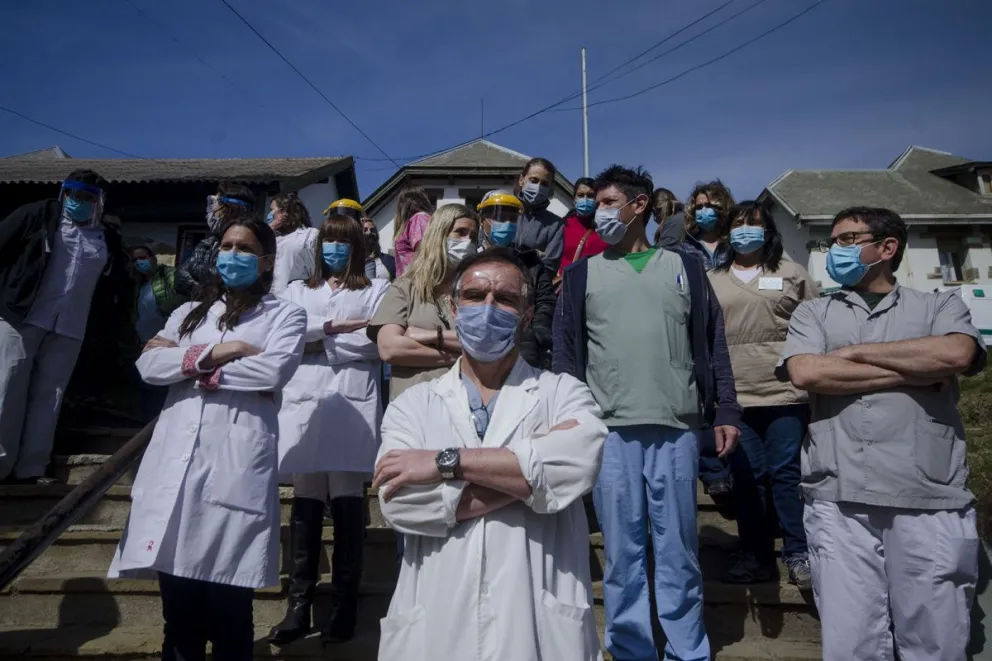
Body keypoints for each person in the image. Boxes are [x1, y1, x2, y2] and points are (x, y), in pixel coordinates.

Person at [373, 246, 607, 661]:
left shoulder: (563, 393)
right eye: (475, 296)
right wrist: (529, 481)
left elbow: (577, 466)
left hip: (535, 622)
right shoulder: (414, 404)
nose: (489, 307)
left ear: (528, 314)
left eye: (506, 299)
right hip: (438, 618)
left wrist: (445, 462)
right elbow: (400, 503)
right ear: (452, 307)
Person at [778, 206, 985, 661]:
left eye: (849, 239)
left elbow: (954, 355)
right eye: (832, 241)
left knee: (936, 641)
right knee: (851, 643)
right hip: (839, 495)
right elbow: (807, 372)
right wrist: (909, 371)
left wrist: (855, 354)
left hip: (927, 496)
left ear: (888, 248)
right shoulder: (813, 312)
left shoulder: (939, 305)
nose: (836, 249)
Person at [553, 164, 741, 661]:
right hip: (609, 431)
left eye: (610, 202)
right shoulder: (579, 275)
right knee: (622, 554)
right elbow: (566, 357)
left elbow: (712, 342)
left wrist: (726, 408)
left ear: (640, 206)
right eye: (597, 203)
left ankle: (686, 649)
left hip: (676, 427)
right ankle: (633, 648)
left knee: (678, 550)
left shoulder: (687, 269)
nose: (599, 211)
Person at [108, 217, 306, 660]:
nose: (232, 255)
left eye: (244, 248)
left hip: (233, 466)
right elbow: (148, 367)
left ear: (266, 260)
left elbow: (273, 370)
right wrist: (222, 352)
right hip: (175, 465)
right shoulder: (188, 312)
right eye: (227, 245)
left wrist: (187, 365)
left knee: (230, 615)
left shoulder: (285, 313)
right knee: (178, 620)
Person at [269, 213, 389, 646]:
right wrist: (336, 329)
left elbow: (377, 341)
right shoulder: (299, 289)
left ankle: (344, 606)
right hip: (305, 401)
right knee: (304, 500)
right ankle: (299, 607)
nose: (334, 250)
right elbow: (283, 336)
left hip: (351, 403)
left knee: (346, 500)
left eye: (343, 242)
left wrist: (319, 340)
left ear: (357, 246)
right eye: (328, 242)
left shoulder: (377, 288)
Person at [707, 201, 818, 589]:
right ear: (727, 234)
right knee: (747, 476)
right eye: (738, 224)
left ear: (768, 230)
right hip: (734, 394)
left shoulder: (792, 273)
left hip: (786, 392)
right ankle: (754, 554)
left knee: (786, 474)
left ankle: (798, 552)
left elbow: (816, 326)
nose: (745, 231)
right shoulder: (712, 279)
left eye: (753, 223)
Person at [0, 169, 132, 484]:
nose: (79, 202)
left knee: (50, 395)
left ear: (99, 202)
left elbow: (113, 286)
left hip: (70, 326)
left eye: (88, 197)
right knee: (8, 387)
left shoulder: (107, 238)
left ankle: (31, 468)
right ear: (64, 194)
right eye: (74, 195)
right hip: (22, 315)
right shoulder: (38, 216)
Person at [368, 204, 479, 402]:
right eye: (460, 232)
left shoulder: (477, 291)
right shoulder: (405, 287)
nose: (468, 241)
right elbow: (390, 348)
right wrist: (460, 357)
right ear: (439, 234)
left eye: (473, 236)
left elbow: (486, 344)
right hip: (413, 407)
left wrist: (430, 336)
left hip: (465, 404)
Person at [681, 180, 736, 503]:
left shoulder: (736, 246)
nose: (705, 211)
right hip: (701, 335)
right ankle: (713, 471)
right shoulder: (684, 250)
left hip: (740, 334)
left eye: (712, 205)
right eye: (699, 205)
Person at [477, 191, 555, 369]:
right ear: (482, 221)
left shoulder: (531, 262)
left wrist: (535, 335)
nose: (506, 223)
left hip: (524, 355)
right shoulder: (469, 261)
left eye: (512, 219)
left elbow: (546, 301)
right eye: (498, 217)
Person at [130, 245, 185, 423]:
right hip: (145, 342)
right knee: (147, 386)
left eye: (142, 257)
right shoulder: (139, 284)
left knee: (159, 389)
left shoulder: (168, 275)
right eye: (135, 260)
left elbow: (182, 297)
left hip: (165, 343)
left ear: (153, 258)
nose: (139, 262)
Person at [175, 184, 256, 297]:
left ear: (230, 208)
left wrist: (194, 267)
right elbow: (180, 279)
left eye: (214, 204)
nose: (210, 212)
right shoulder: (207, 243)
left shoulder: (252, 241)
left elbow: (230, 276)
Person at [513, 157, 564, 273]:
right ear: (521, 180)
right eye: (534, 180)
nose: (538, 187)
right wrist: (535, 256)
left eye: (544, 184)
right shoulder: (503, 210)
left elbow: (549, 266)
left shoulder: (555, 225)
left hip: (533, 288)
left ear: (550, 188)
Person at [556, 177, 610, 283]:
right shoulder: (563, 225)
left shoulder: (606, 228)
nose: (585, 199)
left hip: (598, 285)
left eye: (590, 196)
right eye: (580, 195)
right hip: (568, 286)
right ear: (574, 199)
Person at [267, 192, 318, 295]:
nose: (270, 215)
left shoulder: (309, 235)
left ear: (284, 212)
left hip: (297, 296)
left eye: (272, 210)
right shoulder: (273, 237)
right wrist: (270, 228)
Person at [391, 186, 434, 278]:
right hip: (410, 281)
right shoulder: (412, 221)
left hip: (417, 281)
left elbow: (424, 253)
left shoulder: (419, 218)